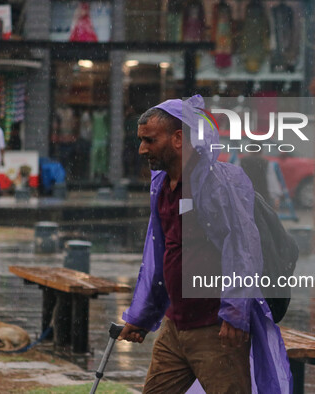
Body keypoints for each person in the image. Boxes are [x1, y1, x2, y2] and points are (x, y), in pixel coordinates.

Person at [119, 95, 292, 393]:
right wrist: (143, 316)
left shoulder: (218, 183)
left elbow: (242, 247)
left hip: (215, 330)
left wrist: (235, 313)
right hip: (175, 328)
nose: (141, 149)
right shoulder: (162, 186)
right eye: (141, 140)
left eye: (149, 140)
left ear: (177, 138)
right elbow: (160, 254)